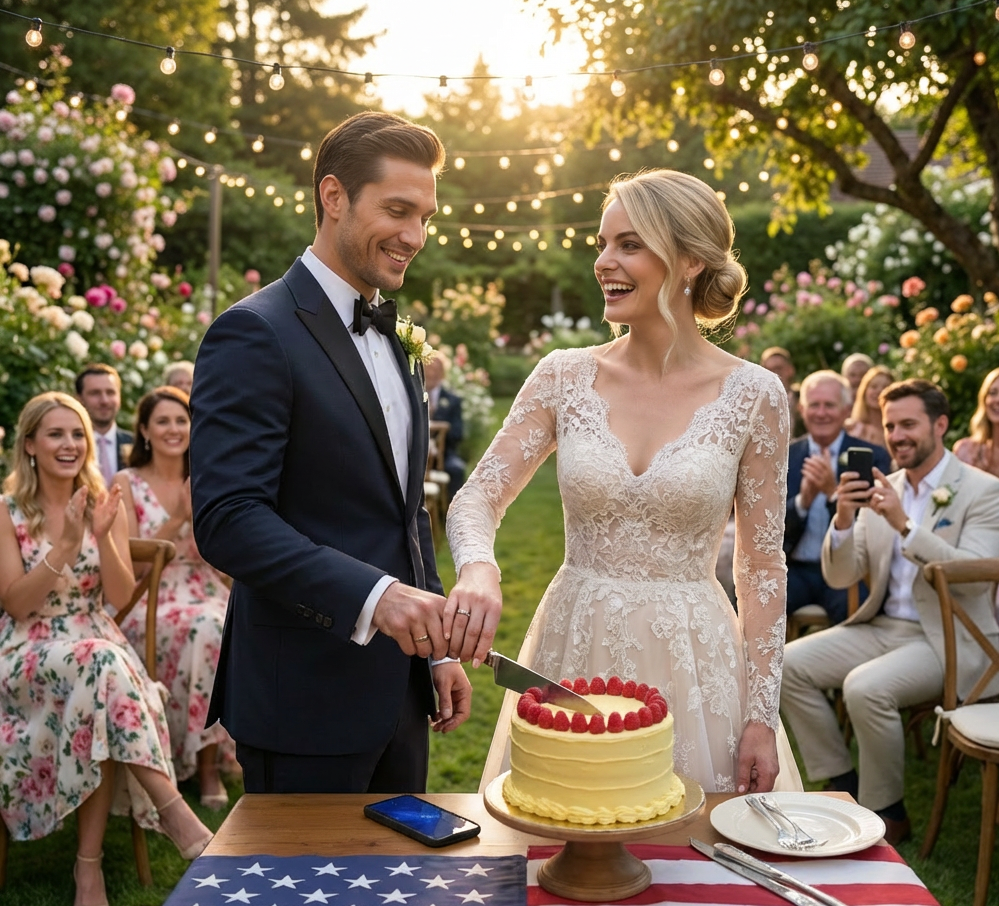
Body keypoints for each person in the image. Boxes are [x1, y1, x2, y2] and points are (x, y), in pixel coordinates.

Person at [446, 168, 803, 795]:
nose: (604, 262)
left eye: (629, 245)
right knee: (566, 838)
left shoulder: (755, 395)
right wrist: (479, 568)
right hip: (574, 645)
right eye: (603, 244)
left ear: (690, 261)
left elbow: (762, 566)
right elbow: (477, 496)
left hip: (697, 665)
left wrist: (760, 716)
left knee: (695, 859)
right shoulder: (563, 376)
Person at [189, 112, 473, 795]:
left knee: (399, 896)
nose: (416, 236)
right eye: (398, 210)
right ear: (334, 197)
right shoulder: (254, 332)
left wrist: (433, 651)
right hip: (303, 701)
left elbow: (406, 514)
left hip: (402, 693)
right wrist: (375, 598)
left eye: (426, 217)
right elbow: (228, 517)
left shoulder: (400, 336)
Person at [0, 393, 212, 906]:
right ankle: (173, 810)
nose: (69, 444)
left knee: (100, 685)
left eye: (77, 435)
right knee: (106, 667)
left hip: (94, 646)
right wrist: (66, 546)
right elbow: (17, 603)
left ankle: (88, 866)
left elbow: (119, 597)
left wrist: (101, 537)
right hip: (29, 650)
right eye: (55, 434)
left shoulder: (102, 499)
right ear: (29, 445)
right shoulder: (6, 511)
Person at [781, 379, 999, 843]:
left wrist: (905, 525)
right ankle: (842, 784)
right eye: (890, 426)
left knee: (865, 688)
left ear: (940, 425)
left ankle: (887, 812)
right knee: (785, 664)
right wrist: (844, 518)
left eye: (908, 424)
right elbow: (842, 577)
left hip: (948, 637)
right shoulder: (883, 486)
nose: (897, 436)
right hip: (882, 626)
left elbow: (976, 575)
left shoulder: (984, 491)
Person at [113, 387, 232, 809]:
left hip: (204, 584)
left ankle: (224, 754)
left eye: (181, 420)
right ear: (144, 430)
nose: (174, 429)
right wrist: (180, 516)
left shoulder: (207, 477)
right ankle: (204, 766)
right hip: (150, 595)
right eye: (162, 421)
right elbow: (133, 566)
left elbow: (223, 555)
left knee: (227, 623)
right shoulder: (126, 483)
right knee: (206, 629)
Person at [785, 370, 889, 624]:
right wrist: (803, 502)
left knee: (861, 613)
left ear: (846, 409)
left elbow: (874, 526)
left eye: (830, 405)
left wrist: (833, 494)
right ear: (801, 408)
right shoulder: (783, 456)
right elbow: (768, 528)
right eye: (814, 405)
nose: (821, 413)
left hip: (846, 573)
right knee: (748, 602)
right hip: (794, 570)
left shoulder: (872, 456)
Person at [953, 365, 999, 642]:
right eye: (993, 393)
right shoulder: (966, 450)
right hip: (971, 550)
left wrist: (995, 484)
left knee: (998, 605)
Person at [75, 364, 132, 486]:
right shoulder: (71, 447)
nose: (104, 400)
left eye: (110, 392)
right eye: (95, 393)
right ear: (79, 399)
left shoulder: (137, 444)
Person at [424, 351, 467, 495]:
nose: (431, 374)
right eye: (428, 368)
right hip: (417, 454)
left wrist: (440, 435)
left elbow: (458, 433)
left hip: (445, 454)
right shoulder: (414, 396)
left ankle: (451, 513)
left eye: (436, 370)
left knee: (456, 469)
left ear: (443, 373)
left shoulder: (453, 400)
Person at [845, 365, 895, 450]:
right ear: (864, 392)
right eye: (874, 386)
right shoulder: (850, 428)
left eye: (885, 387)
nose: (879, 391)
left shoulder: (897, 430)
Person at [760, 346, 800, 435]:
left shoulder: (803, 399)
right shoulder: (758, 405)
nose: (774, 375)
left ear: (790, 370)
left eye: (778, 369)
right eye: (768, 370)